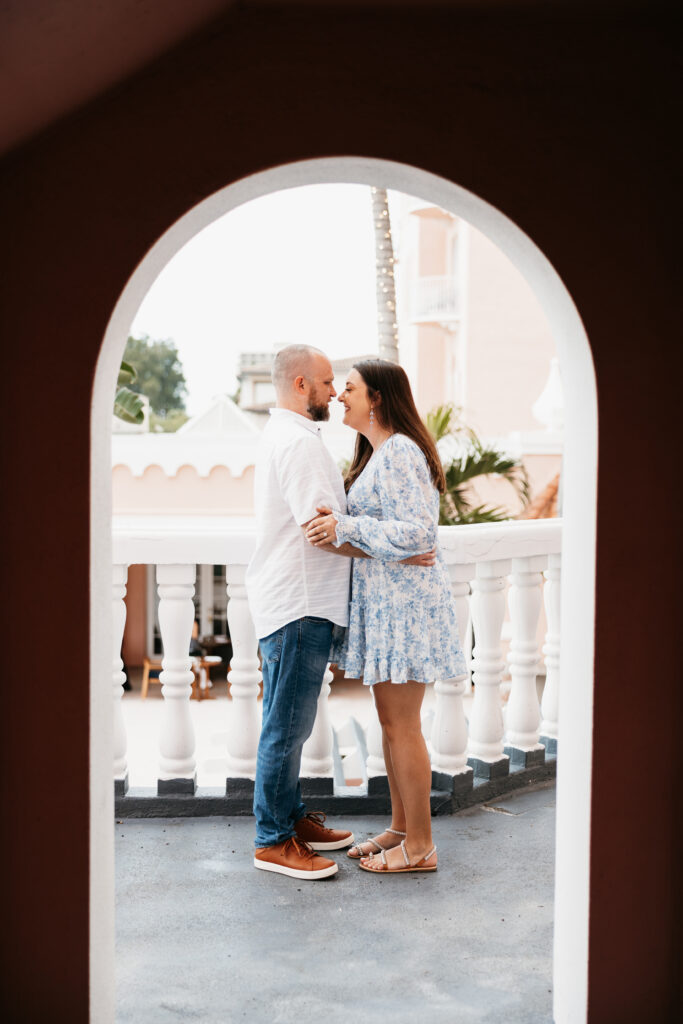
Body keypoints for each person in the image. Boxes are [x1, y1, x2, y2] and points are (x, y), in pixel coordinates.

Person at [306, 359, 467, 875]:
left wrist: (346, 525)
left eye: (348, 388)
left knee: (402, 728)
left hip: (405, 610)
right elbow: (386, 540)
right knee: (391, 724)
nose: (339, 396)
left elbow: (419, 536)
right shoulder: (379, 454)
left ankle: (420, 847)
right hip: (387, 607)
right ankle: (400, 830)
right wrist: (340, 534)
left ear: (376, 397)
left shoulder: (399, 451)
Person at [245, 344, 358, 880]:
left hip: (293, 601)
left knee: (289, 723)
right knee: (287, 729)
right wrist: (393, 548)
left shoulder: (288, 437)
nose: (335, 391)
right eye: (328, 381)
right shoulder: (298, 443)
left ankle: (289, 819)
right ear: (300, 385)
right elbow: (323, 530)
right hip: (300, 603)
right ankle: (273, 840)